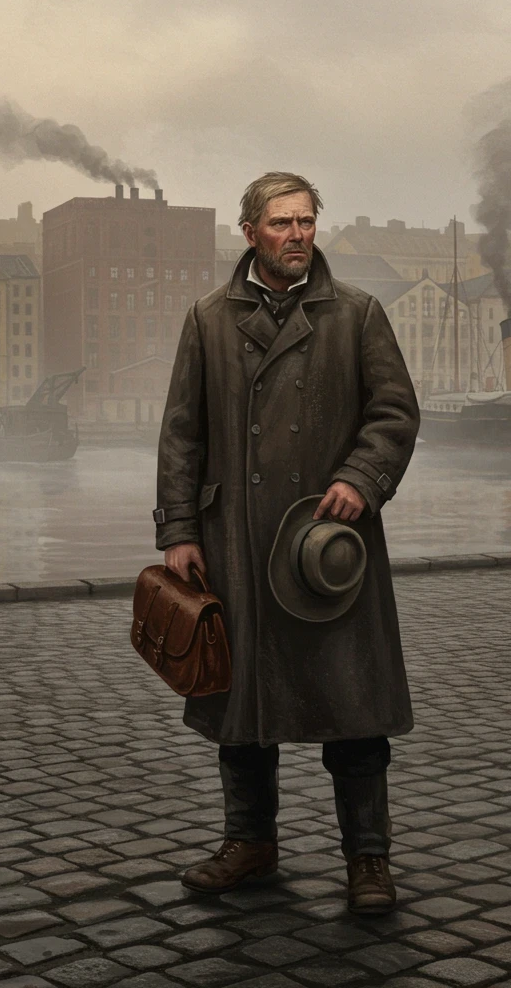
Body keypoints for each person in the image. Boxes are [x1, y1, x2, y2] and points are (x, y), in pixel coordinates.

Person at [154, 172, 420, 914]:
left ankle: (368, 859)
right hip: (235, 543)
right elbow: (182, 434)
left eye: (306, 222)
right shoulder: (207, 320)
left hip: (328, 548)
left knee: (354, 706)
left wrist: (363, 478)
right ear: (250, 233)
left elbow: (395, 413)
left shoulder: (357, 315)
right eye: (281, 224)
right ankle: (250, 844)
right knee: (241, 705)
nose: (298, 235)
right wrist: (178, 530)